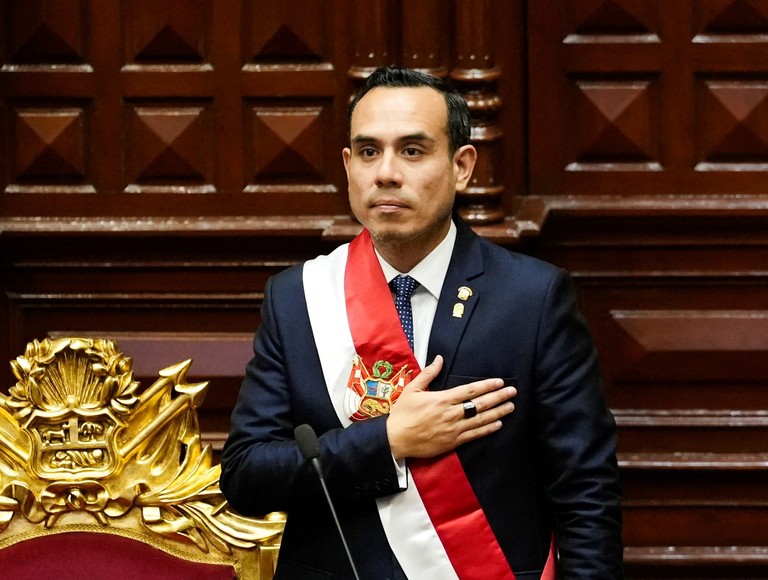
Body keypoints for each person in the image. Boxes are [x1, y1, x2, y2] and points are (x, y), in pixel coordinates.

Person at [220, 66, 623, 579]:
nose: (386, 173)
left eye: (412, 151)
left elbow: (586, 492)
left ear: (462, 166)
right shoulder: (298, 297)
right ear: (348, 166)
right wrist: (386, 440)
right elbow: (247, 477)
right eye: (368, 152)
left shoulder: (533, 299)